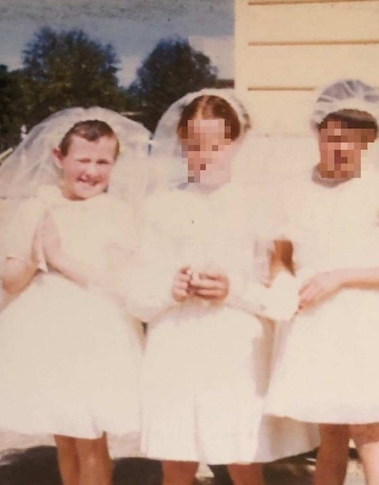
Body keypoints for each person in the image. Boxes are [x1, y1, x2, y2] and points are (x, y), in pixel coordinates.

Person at [127, 89, 318, 485]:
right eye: (194, 145)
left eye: (217, 144)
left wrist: (234, 291)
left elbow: (284, 299)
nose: (206, 155)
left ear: (237, 143)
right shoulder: (162, 206)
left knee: (242, 459)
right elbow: (138, 297)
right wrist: (171, 288)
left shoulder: (260, 208)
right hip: (176, 346)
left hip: (235, 349)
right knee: (177, 461)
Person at [0, 108, 152, 485]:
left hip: (96, 332)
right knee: (66, 434)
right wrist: (36, 256)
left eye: (103, 161)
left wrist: (59, 258)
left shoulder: (116, 212)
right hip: (48, 330)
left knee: (90, 436)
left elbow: (117, 282)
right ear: (59, 158)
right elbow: (10, 281)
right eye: (82, 160)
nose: (91, 171)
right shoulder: (36, 207)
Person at [265, 79, 379, 485]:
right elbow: (280, 259)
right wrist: (283, 286)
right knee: (330, 432)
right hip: (316, 326)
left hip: (363, 325)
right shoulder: (296, 191)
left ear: (370, 142)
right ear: (318, 132)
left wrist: (341, 276)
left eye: (354, 141)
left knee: (367, 431)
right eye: (333, 137)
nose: (341, 148)